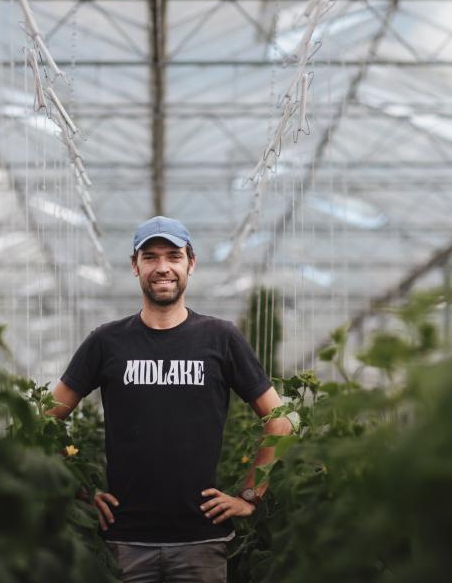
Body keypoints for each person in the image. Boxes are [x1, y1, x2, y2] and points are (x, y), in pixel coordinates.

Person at [47, 216, 292, 583]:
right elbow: (45, 421)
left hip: (202, 540)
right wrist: (81, 489)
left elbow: (281, 420)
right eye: (150, 257)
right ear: (135, 266)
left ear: (190, 263)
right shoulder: (106, 342)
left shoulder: (221, 339)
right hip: (124, 542)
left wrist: (250, 495)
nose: (162, 267)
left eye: (173, 256)